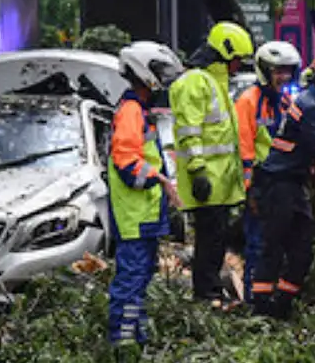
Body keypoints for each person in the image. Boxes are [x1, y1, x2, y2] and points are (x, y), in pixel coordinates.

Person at [249, 49, 315, 319]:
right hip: (278, 185)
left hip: (293, 184)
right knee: (274, 247)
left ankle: (283, 305)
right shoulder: (310, 107)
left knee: (302, 249)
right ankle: (262, 310)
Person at [169, 21, 253, 304]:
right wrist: (198, 171)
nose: (238, 66)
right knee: (209, 241)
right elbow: (189, 131)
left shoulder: (215, 83)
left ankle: (211, 291)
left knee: (215, 240)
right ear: (224, 54)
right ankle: (206, 294)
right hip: (207, 180)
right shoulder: (196, 82)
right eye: (237, 59)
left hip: (219, 181)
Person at [108, 42, 184, 353]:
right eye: (160, 72)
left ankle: (136, 340)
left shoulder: (139, 109)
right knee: (131, 280)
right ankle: (124, 344)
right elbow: (127, 164)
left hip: (144, 215)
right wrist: (160, 179)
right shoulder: (130, 111)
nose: (163, 79)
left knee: (140, 280)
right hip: (134, 217)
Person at [236, 40, 301, 307]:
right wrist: (251, 188)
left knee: (279, 243)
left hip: (281, 184)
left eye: (288, 71)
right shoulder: (248, 101)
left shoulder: (284, 101)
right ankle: (253, 301)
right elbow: (244, 146)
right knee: (258, 244)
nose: (284, 77)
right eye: (279, 71)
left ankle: (270, 298)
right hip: (260, 183)